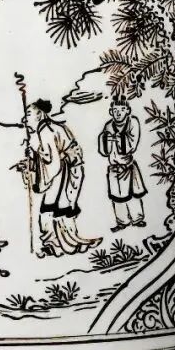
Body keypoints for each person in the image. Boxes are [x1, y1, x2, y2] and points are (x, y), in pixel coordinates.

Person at [19, 99, 101, 256]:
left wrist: (35, 152)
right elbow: (48, 157)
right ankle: (56, 243)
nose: (25, 119)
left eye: (28, 114)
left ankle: (63, 245)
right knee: (52, 208)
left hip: (65, 171)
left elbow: (52, 163)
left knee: (56, 208)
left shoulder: (46, 132)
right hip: (65, 169)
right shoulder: (48, 129)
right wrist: (34, 156)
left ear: (39, 114)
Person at [97, 100, 147, 229]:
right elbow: (104, 150)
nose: (118, 113)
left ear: (128, 111)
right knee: (117, 197)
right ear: (111, 112)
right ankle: (122, 221)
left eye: (122, 110)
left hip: (128, 165)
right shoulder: (108, 126)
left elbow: (132, 145)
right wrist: (105, 139)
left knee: (134, 195)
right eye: (115, 110)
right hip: (115, 167)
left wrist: (118, 138)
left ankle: (137, 219)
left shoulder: (133, 122)